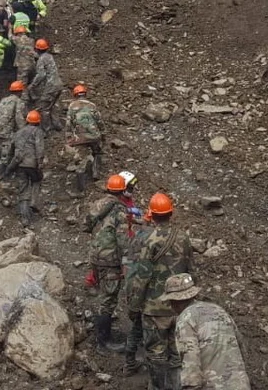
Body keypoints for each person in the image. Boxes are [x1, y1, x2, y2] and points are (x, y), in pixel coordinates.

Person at [126, 192, 193, 390]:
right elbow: (192, 271)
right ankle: (176, 385)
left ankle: (157, 387)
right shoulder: (183, 237)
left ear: (152, 215)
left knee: (156, 353)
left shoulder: (150, 240)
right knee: (176, 352)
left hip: (155, 308)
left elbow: (142, 276)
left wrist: (134, 306)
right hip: (179, 306)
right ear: (171, 213)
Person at [161, 273, 251, 390]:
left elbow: (191, 364)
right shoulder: (219, 311)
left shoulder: (185, 319)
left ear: (175, 301)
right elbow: (241, 347)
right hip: (240, 384)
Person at [85, 172, 140, 353]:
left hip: (96, 255)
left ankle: (102, 333)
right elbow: (123, 239)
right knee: (108, 299)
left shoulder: (98, 204)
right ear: (122, 190)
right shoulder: (119, 211)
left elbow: (86, 225)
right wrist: (127, 263)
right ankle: (103, 342)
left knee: (104, 295)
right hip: (110, 260)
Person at [10, 110, 47, 227]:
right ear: (38, 122)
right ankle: (34, 202)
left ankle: (25, 219)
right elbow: (39, 148)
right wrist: (40, 163)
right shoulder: (38, 132)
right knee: (37, 180)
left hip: (19, 164)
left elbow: (12, 147)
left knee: (23, 189)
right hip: (31, 164)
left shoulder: (19, 132)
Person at [66, 84, 105, 193]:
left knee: (80, 162)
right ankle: (96, 173)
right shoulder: (92, 105)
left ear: (75, 94)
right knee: (98, 152)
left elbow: (69, 123)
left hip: (80, 138)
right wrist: (103, 133)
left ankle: (81, 189)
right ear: (85, 94)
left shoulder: (72, 106)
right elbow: (99, 121)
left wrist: (69, 138)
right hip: (94, 135)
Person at [0, 81, 28, 177]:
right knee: (6, 153)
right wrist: (24, 132)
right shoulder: (18, 102)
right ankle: (0, 175)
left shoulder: (3, 100)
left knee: (2, 149)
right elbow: (19, 118)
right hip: (5, 132)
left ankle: (0, 170)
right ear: (20, 91)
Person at [28, 38, 63, 130]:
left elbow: (41, 74)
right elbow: (44, 60)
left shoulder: (41, 60)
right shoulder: (49, 56)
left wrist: (33, 84)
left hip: (50, 86)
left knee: (44, 108)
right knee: (54, 105)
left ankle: (46, 129)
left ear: (37, 49)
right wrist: (36, 56)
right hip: (58, 84)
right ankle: (57, 125)